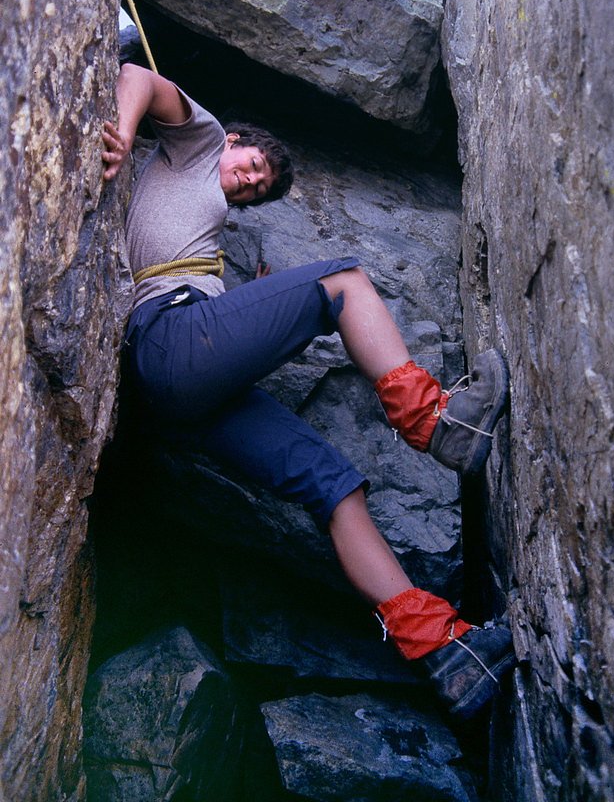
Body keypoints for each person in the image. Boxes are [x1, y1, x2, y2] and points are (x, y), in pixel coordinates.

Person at [102, 62, 517, 725]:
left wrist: (250, 306)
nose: (250, 180)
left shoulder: (208, 233)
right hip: (168, 340)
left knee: (334, 486)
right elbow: (137, 76)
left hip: (184, 390)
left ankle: (445, 651)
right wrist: (122, 131)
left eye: (258, 187)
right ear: (232, 138)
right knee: (343, 282)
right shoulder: (198, 140)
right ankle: (436, 422)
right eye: (254, 164)